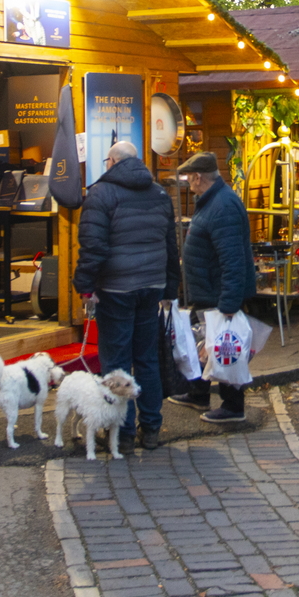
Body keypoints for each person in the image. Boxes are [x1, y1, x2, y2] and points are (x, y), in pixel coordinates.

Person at [73, 141, 180, 450]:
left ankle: (122, 433)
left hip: (116, 288)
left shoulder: (101, 194)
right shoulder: (159, 194)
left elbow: (93, 246)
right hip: (151, 286)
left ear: (113, 161)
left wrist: (85, 287)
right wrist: (170, 288)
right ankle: (152, 427)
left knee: (117, 360)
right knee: (147, 358)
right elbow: (170, 245)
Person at [167, 152, 254, 423]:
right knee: (201, 343)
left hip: (218, 293)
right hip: (208, 290)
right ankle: (198, 392)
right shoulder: (212, 201)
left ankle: (233, 406)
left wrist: (229, 304)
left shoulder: (222, 205)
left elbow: (232, 259)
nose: (188, 183)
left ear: (198, 177)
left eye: (188, 178)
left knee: (226, 346)